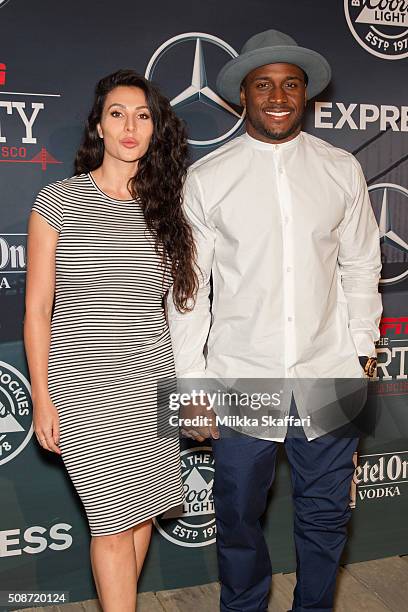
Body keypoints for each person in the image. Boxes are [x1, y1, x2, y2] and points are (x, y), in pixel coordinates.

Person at [167, 30, 382, 612]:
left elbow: (363, 262)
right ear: (243, 96)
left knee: (327, 513)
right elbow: (187, 291)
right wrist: (192, 385)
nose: (278, 95)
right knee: (237, 515)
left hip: (330, 371)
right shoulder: (208, 177)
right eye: (264, 85)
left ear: (306, 94)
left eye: (291, 84)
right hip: (244, 375)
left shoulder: (340, 169)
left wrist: (361, 347)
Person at [24, 69, 197, 612]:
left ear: (154, 129)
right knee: (112, 524)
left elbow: (182, 306)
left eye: (142, 116)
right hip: (86, 386)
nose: (130, 126)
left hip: (153, 383)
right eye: (117, 114)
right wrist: (42, 394)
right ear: (98, 126)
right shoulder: (59, 200)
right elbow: (36, 310)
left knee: (143, 513)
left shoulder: (170, 206)